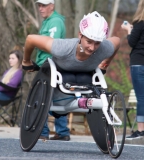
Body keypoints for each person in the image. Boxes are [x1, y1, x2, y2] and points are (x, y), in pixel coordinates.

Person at [22, 11, 120, 139]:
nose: (92, 47)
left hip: (84, 79)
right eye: (89, 41)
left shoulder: (104, 48)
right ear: (80, 35)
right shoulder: (63, 47)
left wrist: (105, 63)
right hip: (60, 78)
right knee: (62, 92)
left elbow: (117, 41)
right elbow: (31, 39)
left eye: (97, 43)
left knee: (87, 79)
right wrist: (26, 61)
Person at [35, 0, 70, 141]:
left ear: (52, 6)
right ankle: (62, 132)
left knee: (42, 98)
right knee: (55, 99)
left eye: (43, 5)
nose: (40, 8)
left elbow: (51, 45)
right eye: (39, 5)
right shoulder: (48, 21)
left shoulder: (55, 21)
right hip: (49, 64)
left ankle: (43, 132)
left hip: (50, 65)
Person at [121, 0, 144, 139]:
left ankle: (141, 130)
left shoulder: (140, 23)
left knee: (141, 97)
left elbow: (131, 42)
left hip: (138, 64)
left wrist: (129, 30)